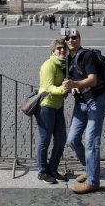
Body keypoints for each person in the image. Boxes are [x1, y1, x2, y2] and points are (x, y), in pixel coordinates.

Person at [63, 29, 105, 194]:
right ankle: (90, 169)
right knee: (72, 139)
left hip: (96, 101)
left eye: (74, 37)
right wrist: (73, 87)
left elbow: (93, 80)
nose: (70, 40)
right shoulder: (69, 59)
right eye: (67, 38)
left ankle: (93, 181)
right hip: (81, 103)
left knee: (91, 142)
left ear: (79, 39)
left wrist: (75, 84)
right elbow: (72, 79)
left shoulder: (87, 55)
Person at [35, 39, 69, 184]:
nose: (62, 50)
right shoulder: (48, 65)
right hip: (46, 106)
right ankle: (42, 172)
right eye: (59, 48)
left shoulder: (63, 65)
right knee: (44, 140)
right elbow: (48, 87)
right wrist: (63, 89)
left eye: (64, 48)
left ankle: (53, 169)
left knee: (61, 139)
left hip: (58, 106)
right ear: (53, 51)